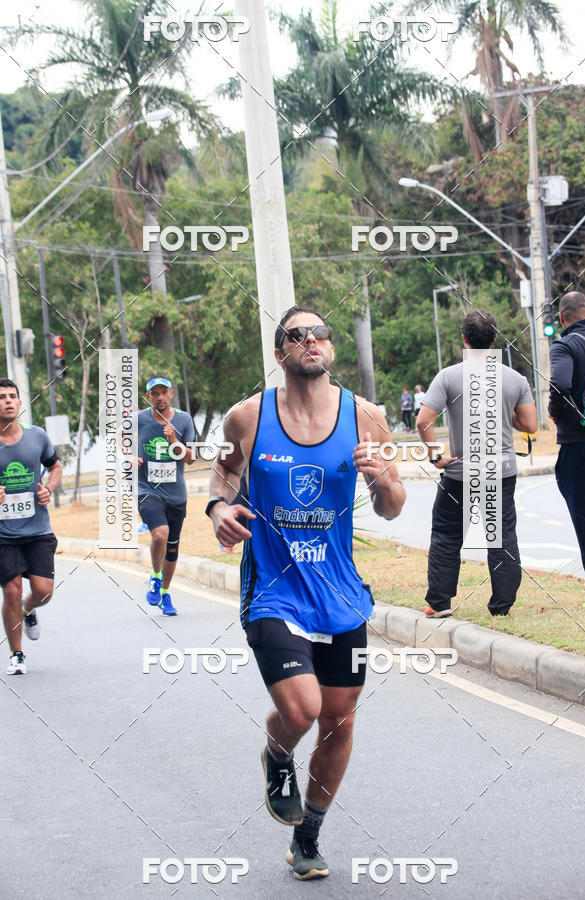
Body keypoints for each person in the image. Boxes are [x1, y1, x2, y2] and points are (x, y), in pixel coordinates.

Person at [207, 306, 405, 880]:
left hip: (340, 593)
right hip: (273, 589)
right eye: (298, 336)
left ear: (331, 348)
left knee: (339, 722)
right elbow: (222, 476)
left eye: (320, 334)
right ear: (280, 353)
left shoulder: (366, 418)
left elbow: (394, 508)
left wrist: (381, 477)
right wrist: (220, 508)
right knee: (303, 708)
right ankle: (276, 752)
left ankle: (308, 838)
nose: (311, 342)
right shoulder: (246, 418)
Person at [416, 311, 537, 618]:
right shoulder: (515, 379)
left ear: (464, 338)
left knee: (446, 534)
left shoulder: (448, 376)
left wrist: (435, 455)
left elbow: (423, 421)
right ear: (495, 338)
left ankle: (439, 603)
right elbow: (531, 425)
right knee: (501, 536)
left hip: (459, 471)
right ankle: (501, 607)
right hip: (502, 471)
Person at [0, 378, 62, 675]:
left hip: (37, 529)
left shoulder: (37, 437)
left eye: (13, 396)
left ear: (20, 404)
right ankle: (17, 654)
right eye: (2, 397)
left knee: (44, 591)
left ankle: (29, 609)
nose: (8, 401)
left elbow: (55, 466)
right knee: (10, 591)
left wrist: (49, 488)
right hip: (4, 535)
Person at [549, 291, 585, 606]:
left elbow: (560, 383)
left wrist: (559, 414)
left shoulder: (564, 345)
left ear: (562, 319)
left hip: (580, 444)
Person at [137, 376, 195, 615]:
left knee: (172, 548)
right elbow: (119, 440)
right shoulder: (138, 420)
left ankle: (165, 592)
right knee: (160, 534)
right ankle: (155, 575)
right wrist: (128, 456)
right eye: (155, 393)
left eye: (164, 393)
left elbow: (190, 458)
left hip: (176, 495)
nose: (160, 398)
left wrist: (173, 440)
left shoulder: (184, 420)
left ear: (171, 394)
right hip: (146, 490)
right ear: (148, 396)